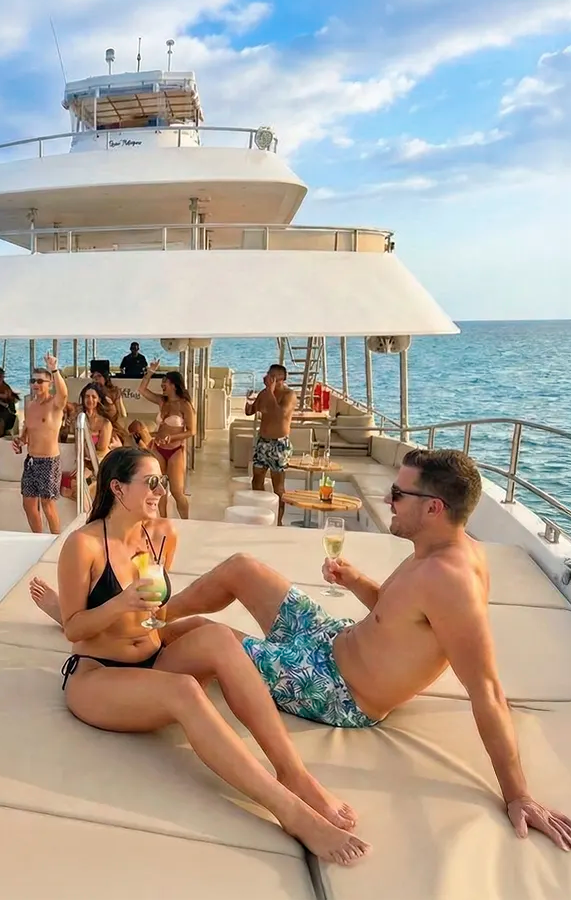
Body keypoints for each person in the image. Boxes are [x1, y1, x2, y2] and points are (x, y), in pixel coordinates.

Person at [159, 448, 571, 854]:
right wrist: (354, 581)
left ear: (434, 507)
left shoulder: (452, 581)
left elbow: (487, 689)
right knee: (242, 569)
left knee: (202, 633)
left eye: (399, 494)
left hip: (337, 690)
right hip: (334, 638)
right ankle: (154, 615)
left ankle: (133, 644)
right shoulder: (432, 549)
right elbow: (395, 614)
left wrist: (518, 794)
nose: (388, 499)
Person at [53, 447, 367, 868]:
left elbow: (158, 614)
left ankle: (295, 773)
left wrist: (163, 620)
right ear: (117, 488)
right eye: (150, 482)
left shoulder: (161, 534)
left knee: (218, 636)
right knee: (184, 689)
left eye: (162, 481)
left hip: (152, 657)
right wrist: (122, 603)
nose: (160, 490)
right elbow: (74, 628)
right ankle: (291, 813)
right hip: (97, 676)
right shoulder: (84, 545)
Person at [14, 354, 68, 535]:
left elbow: (64, 394)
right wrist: (20, 441)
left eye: (40, 381)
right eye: (32, 380)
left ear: (49, 384)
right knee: (28, 503)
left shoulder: (54, 403)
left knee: (47, 503)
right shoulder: (30, 404)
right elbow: (27, 431)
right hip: (31, 460)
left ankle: (55, 540)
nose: (35, 384)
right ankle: (38, 538)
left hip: (49, 461)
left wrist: (54, 368)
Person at [139, 362, 196, 519]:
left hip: (175, 450)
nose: (163, 384)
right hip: (158, 448)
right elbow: (142, 389)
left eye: (166, 382)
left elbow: (192, 431)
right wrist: (150, 371)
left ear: (175, 385)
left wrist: (172, 437)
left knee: (177, 492)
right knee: (160, 487)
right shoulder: (162, 401)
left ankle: (186, 521)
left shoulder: (185, 405)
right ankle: (163, 520)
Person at [245, 364, 297, 524]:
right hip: (263, 442)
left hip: (279, 445)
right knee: (256, 479)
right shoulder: (264, 393)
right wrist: (249, 401)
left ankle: (279, 521)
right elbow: (250, 411)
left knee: (278, 486)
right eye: (268, 374)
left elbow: (280, 414)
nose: (267, 378)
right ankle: (260, 514)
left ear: (281, 379)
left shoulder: (289, 395)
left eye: (272, 376)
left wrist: (270, 391)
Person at [77, 382, 116, 459]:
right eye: (87, 396)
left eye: (94, 397)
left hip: (100, 462)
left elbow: (101, 448)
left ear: (99, 399)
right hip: (82, 462)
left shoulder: (105, 423)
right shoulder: (79, 419)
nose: (90, 400)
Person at [89, 363, 127, 432]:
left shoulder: (114, 391)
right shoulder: (90, 392)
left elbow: (122, 413)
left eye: (99, 376)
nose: (96, 379)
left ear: (105, 378)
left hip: (112, 425)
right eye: (94, 377)